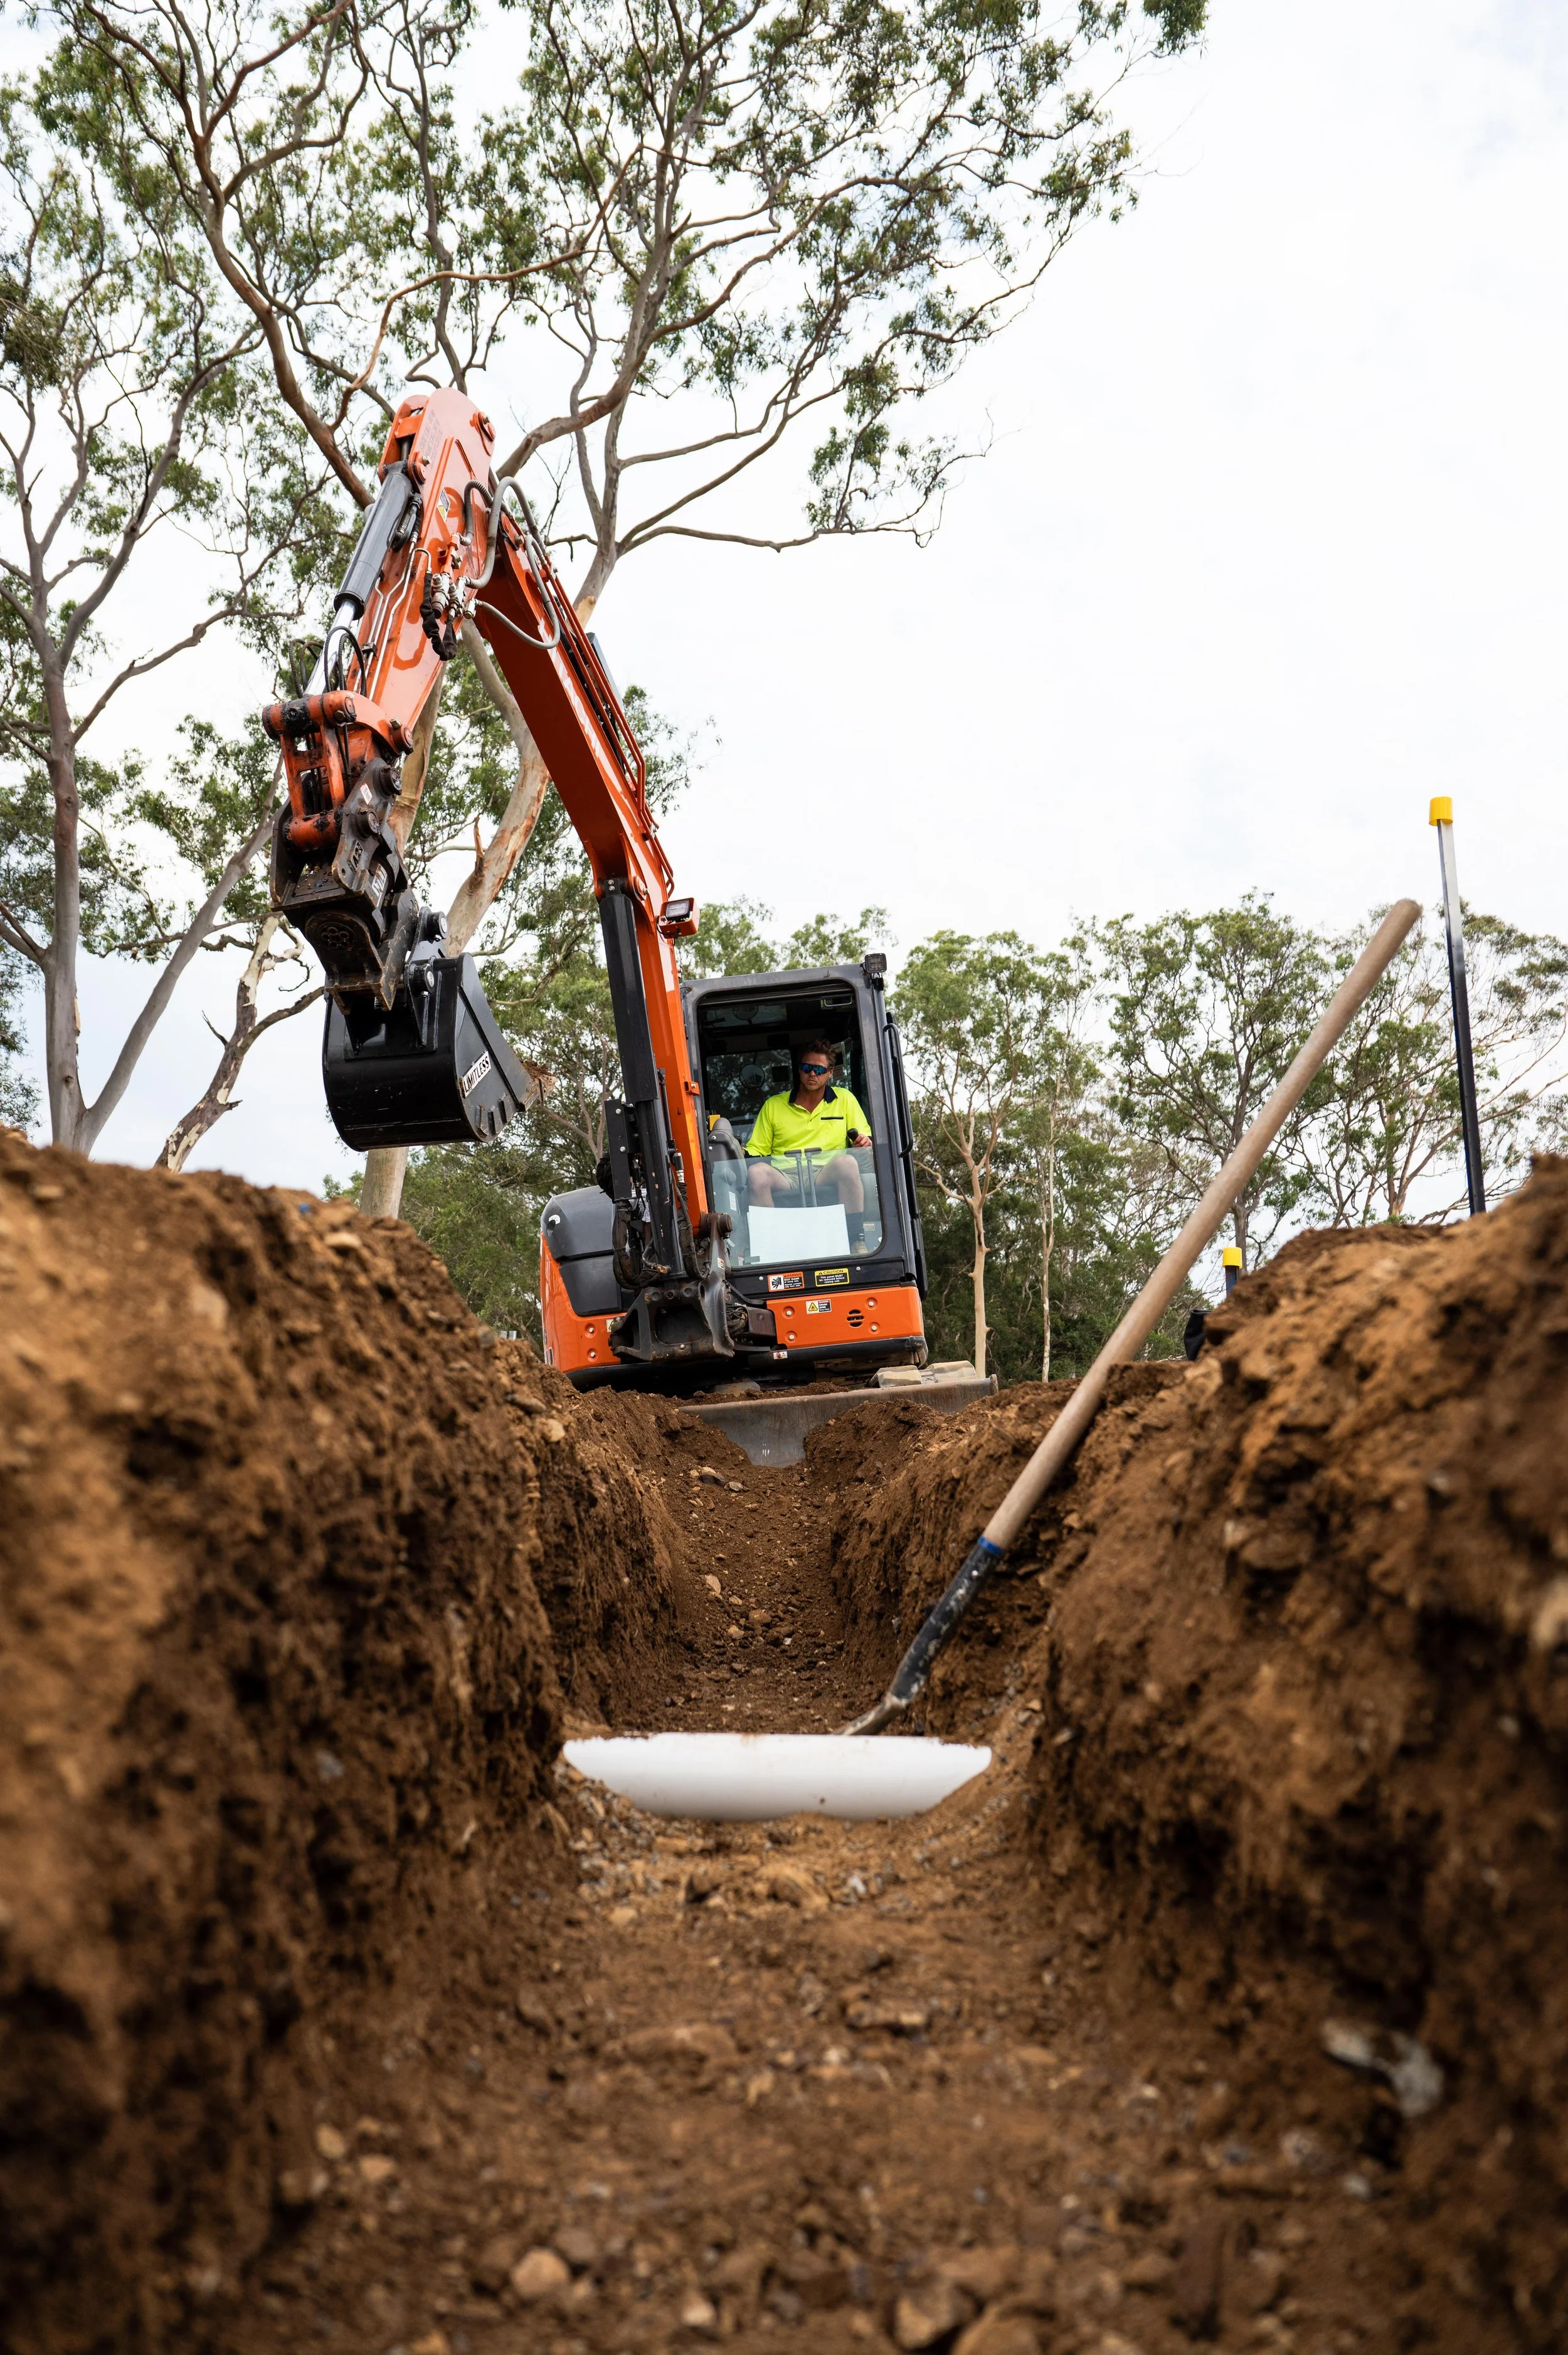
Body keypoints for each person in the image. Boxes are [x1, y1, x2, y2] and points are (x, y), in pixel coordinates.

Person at [746, 1039, 872, 1227]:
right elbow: (756, 1149)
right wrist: (734, 1150)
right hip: (785, 1176)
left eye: (819, 1070)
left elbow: (864, 1140)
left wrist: (863, 1143)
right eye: (807, 1068)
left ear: (830, 1072)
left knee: (847, 1163)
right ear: (799, 1070)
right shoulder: (773, 1105)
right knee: (756, 1173)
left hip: (825, 1171)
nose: (812, 1074)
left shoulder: (845, 1099)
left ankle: (856, 1240)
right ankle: (771, 1243)